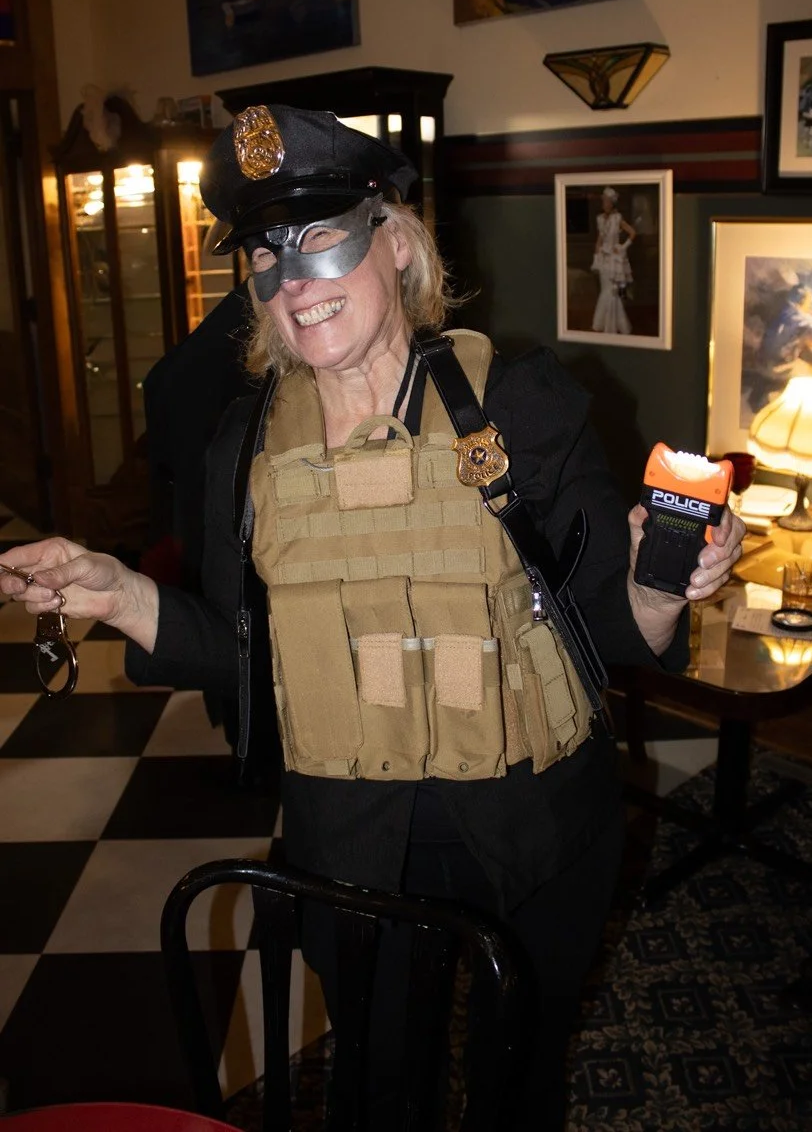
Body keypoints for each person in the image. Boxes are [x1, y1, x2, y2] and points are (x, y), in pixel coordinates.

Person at [0, 106, 745, 1130]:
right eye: (265, 256)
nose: (292, 281)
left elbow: (609, 639)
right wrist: (117, 592)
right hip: (347, 847)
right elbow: (246, 656)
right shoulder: (243, 443)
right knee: (377, 1090)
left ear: (395, 243)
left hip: (534, 834)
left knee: (513, 1083)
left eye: (319, 239)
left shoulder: (516, 402)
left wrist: (669, 581)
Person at [748, 283, 812, 411]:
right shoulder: (803, 318)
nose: (810, 306)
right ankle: (802, 409)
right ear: (803, 301)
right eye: (809, 302)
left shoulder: (782, 312)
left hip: (762, 365)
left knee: (804, 361)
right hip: (779, 368)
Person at [591, 186, 636, 335]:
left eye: (606, 201)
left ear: (612, 203)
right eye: (603, 201)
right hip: (604, 259)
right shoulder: (599, 219)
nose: (604, 204)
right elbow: (599, 240)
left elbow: (632, 233)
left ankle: (613, 325)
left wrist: (623, 247)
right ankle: (603, 324)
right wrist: (597, 257)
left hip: (614, 260)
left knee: (612, 291)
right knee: (605, 290)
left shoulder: (618, 218)